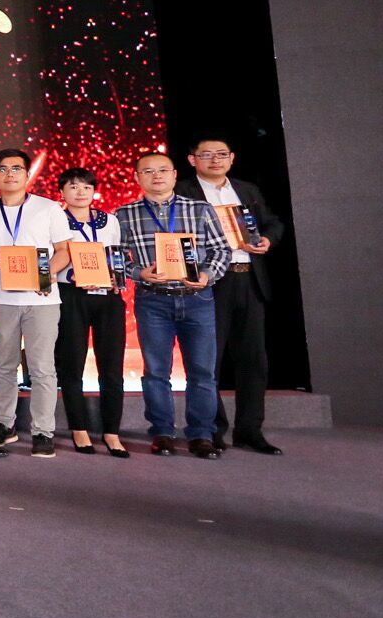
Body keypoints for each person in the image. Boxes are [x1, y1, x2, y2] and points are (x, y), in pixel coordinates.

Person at [121, 152, 230, 458]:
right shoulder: (124, 214)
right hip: (153, 300)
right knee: (156, 371)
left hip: (197, 300)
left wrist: (207, 275)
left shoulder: (200, 209)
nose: (156, 176)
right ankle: (162, 432)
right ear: (137, 177)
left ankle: (201, 434)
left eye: (163, 170)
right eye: (148, 171)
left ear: (174, 175)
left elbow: (222, 250)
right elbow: (114, 257)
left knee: (202, 372)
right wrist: (139, 273)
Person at [187, 136, 286, 454]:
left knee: (254, 360)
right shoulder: (184, 192)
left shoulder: (247, 190)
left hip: (250, 280)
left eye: (222, 154)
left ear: (232, 158)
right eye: (207, 155)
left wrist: (268, 240)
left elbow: (273, 223)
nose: (215, 160)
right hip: (211, 282)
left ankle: (249, 430)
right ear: (192, 160)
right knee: (208, 361)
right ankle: (212, 429)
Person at [0, 148, 69, 457]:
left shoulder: (49, 208)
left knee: (42, 367)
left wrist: (47, 274)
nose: (10, 174)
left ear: (27, 174)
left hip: (42, 301)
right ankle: (4, 424)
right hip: (1, 299)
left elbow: (64, 250)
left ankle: (43, 431)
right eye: (3, 169)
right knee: (4, 364)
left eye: (16, 168)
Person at [53, 167, 130, 457]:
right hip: (70, 295)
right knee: (71, 363)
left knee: (112, 365)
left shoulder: (110, 220)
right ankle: (79, 428)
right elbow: (49, 258)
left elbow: (117, 255)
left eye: (86, 187)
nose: (80, 192)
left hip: (107, 296)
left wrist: (116, 278)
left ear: (94, 191)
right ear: (62, 192)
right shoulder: (55, 221)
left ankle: (112, 431)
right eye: (73, 187)